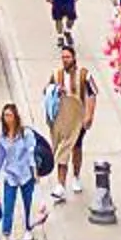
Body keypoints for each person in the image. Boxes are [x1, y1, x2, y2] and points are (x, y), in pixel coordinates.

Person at [44, 45, 98, 203]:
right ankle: (60, 185)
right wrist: (54, 90)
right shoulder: (56, 74)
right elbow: (46, 91)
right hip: (61, 118)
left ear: (74, 58)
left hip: (78, 118)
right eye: (63, 57)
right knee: (63, 149)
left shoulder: (84, 75)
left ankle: (76, 175)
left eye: (67, 57)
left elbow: (92, 94)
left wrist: (89, 116)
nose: (65, 60)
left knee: (76, 147)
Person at [0, 102, 40, 240]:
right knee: (8, 205)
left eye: (10, 115)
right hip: (10, 175)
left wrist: (34, 172)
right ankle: (5, 235)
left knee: (28, 204)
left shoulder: (26, 134)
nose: (7, 118)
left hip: (25, 175)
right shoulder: (3, 137)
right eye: (5, 115)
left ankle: (28, 229)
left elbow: (31, 153)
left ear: (16, 117)